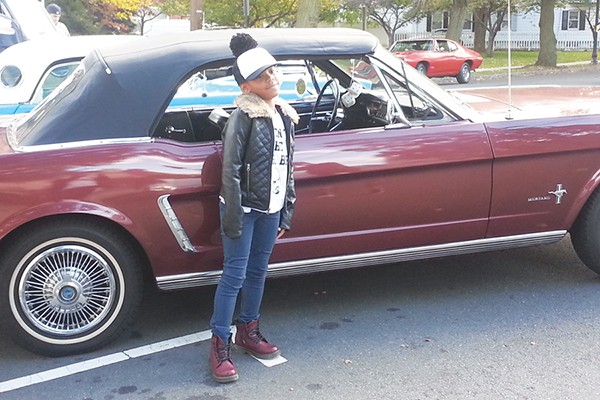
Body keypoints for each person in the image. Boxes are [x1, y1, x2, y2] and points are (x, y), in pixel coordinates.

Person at [208, 32, 298, 384]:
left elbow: (288, 166)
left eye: (273, 71)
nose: (271, 78)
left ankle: (249, 330)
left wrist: (286, 208)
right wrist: (232, 217)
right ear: (246, 86)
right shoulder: (242, 117)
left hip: (271, 207)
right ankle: (220, 343)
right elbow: (230, 169)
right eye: (262, 76)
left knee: (258, 271)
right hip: (243, 209)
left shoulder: (283, 114)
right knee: (234, 274)